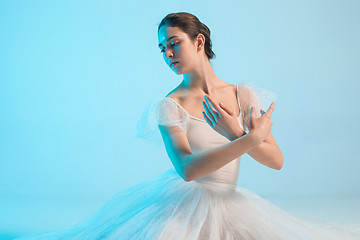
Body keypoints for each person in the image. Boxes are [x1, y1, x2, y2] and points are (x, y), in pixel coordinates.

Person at [15, 11, 360, 240]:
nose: (168, 54)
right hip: (182, 203)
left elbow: (276, 161)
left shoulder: (243, 95)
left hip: (233, 202)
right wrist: (243, 139)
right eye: (162, 48)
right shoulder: (169, 105)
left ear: (198, 42)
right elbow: (187, 170)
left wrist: (238, 133)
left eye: (174, 43)